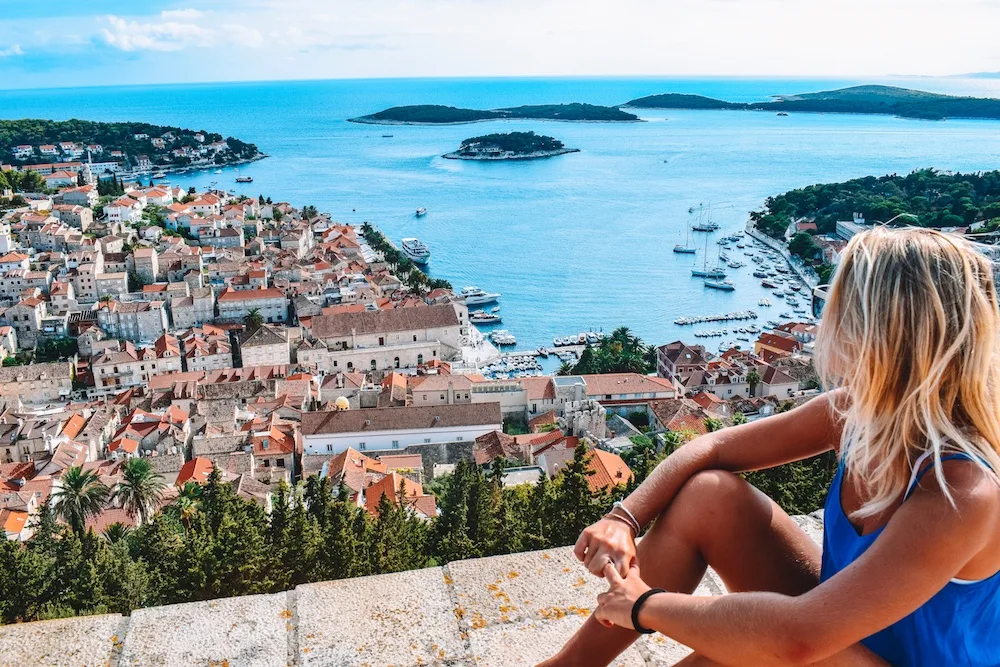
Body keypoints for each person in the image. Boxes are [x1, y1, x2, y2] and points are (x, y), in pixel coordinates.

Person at [541, 228, 1000, 666]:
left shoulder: (960, 491)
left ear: (880, 335)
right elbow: (714, 447)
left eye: (832, 308)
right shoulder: (855, 415)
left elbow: (798, 639)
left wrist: (643, 605)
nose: (823, 323)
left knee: (757, 646)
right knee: (710, 497)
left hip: (838, 640)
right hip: (843, 630)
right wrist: (623, 518)